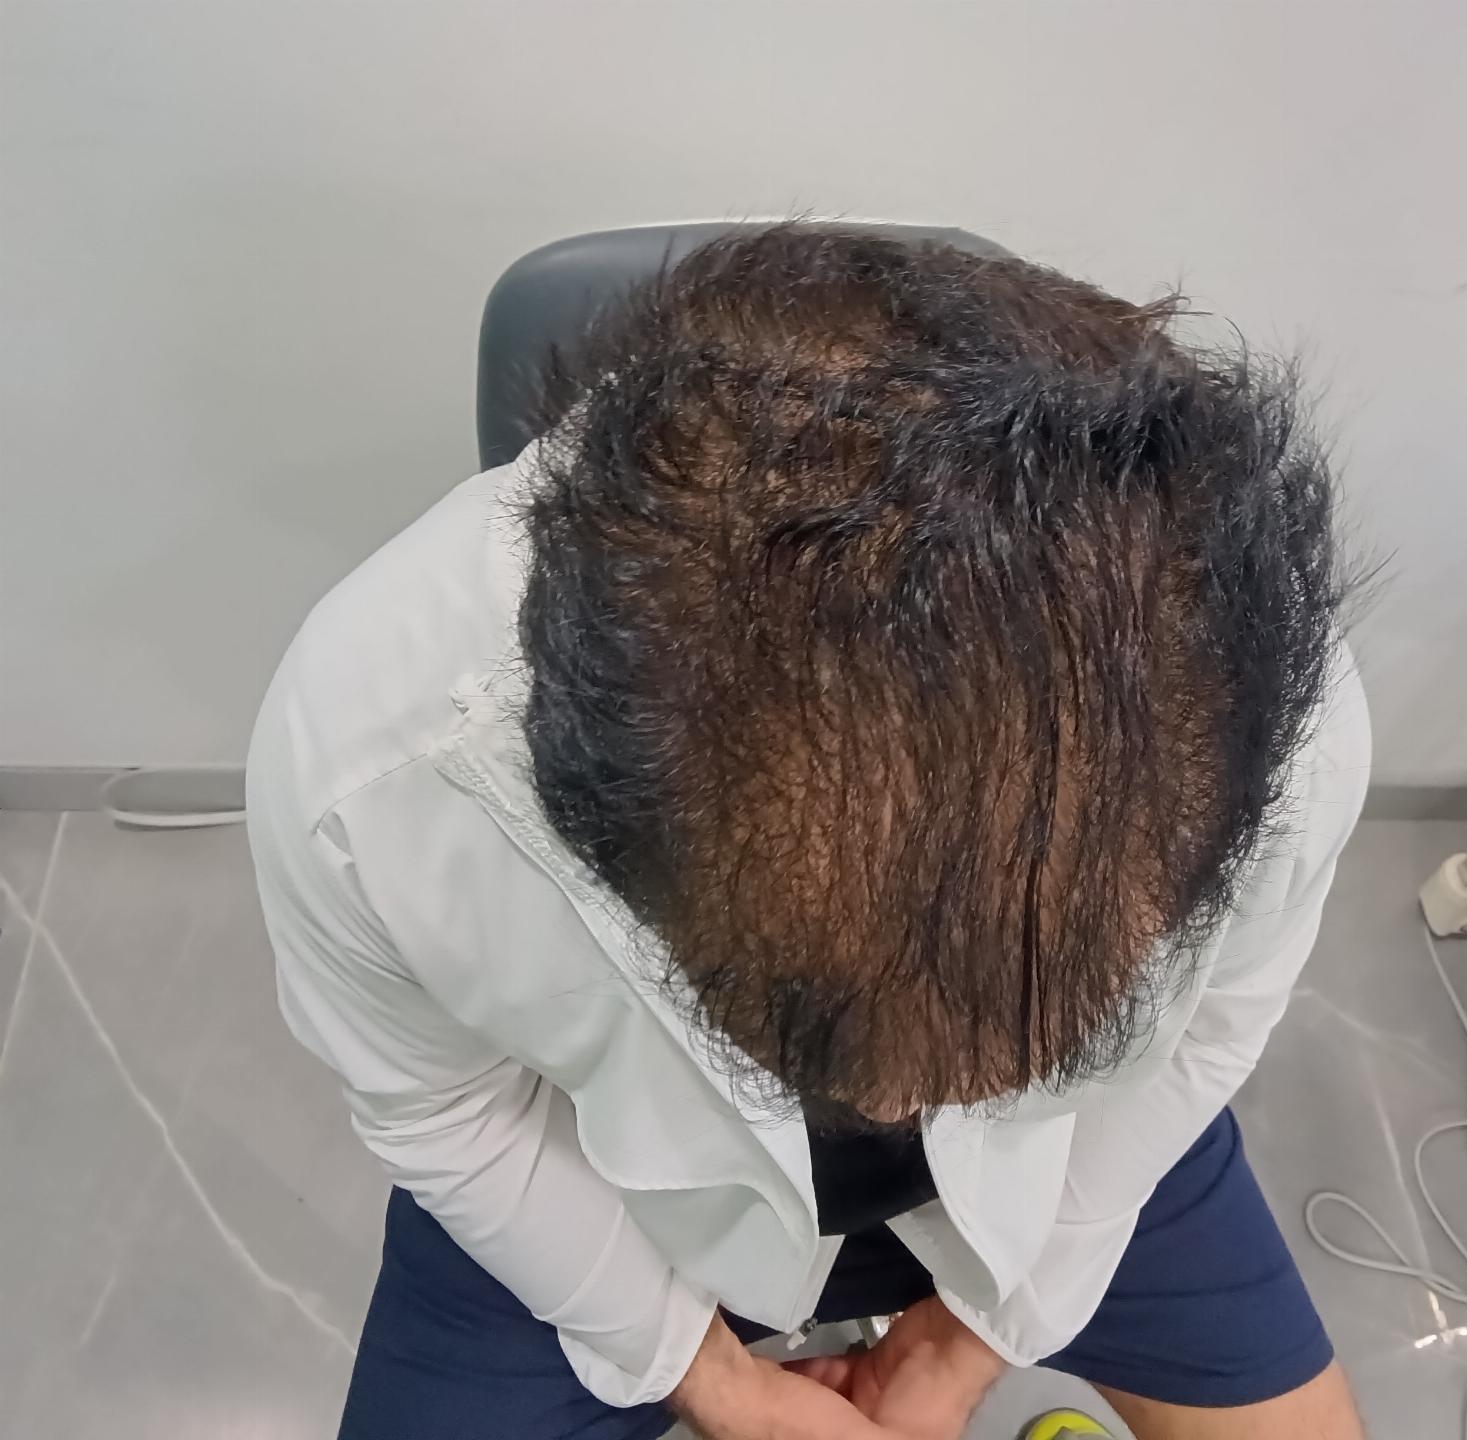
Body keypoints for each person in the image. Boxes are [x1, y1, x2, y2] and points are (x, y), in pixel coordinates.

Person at [248, 226, 1371, 1440]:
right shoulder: (376, 763)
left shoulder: (1263, 712)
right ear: (595, 820)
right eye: (804, 1043)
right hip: (588, 1176)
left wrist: (967, 1343)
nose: (901, 1107)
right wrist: (720, 1387)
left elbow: (1207, 1032)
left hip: (1068, 1161)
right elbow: (444, 1114)